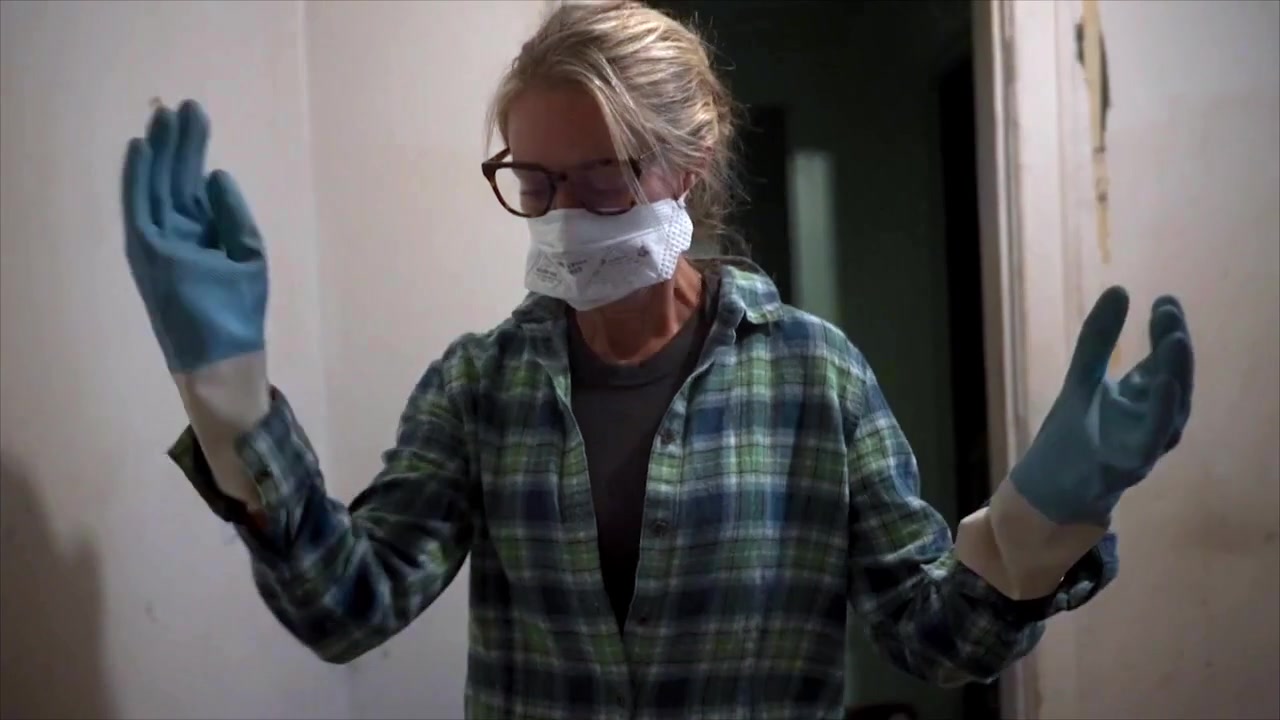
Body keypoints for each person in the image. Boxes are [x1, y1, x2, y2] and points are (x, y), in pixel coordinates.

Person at [120, 2, 1195, 718]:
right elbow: (347, 608)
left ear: (688, 163)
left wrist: (1035, 527)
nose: (561, 214)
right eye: (533, 182)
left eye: (601, 178)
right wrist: (230, 401)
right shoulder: (479, 387)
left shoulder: (813, 377)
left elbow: (931, 641)